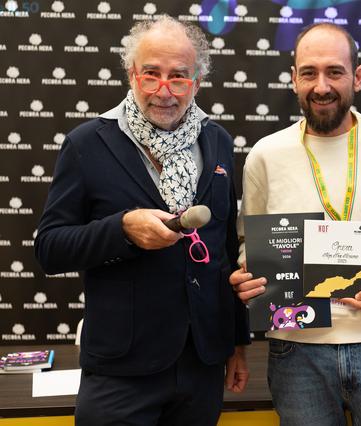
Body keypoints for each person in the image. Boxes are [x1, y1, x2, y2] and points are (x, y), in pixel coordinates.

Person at [35, 16, 250, 426]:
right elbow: (50, 248)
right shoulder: (87, 144)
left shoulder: (218, 141)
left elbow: (223, 252)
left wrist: (237, 343)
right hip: (121, 370)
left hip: (201, 364)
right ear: (132, 74)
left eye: (178, 77)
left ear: (197, 82)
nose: (163, 91)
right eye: (151, 74)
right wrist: (122, 229)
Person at [230, 23, 361, 426]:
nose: (321, 86)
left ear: (357, 77)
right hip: (295, 349)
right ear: (294, 79)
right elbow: (247, 242)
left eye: (334, 72)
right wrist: (247, 271)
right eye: (309, 73)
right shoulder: (266, 155)